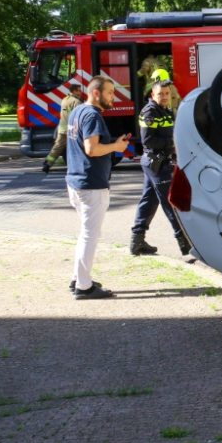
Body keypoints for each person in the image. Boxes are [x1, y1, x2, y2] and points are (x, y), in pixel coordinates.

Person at [66, 75, 130, 299]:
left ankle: (77, 278)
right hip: (91, 184)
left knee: (86, 233)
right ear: (96, 93)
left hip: (76, 181)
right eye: (110, 92)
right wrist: (116, 146)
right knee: (90, 235)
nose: (114, 96)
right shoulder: (92, 115)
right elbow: (91, 149)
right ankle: (84, 287)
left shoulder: (77, 111)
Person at [131, 80, 191, 256]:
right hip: (156, 163)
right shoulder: (150, 112)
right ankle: (185, 245)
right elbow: (148, 140)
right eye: (160, 94)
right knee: (170, 203)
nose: (164, 97)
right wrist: (173, 143)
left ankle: (137, 241)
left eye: (166, 93)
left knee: (148, 201)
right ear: (153, 95)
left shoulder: (165, 110)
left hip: (160, 162)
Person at [42, 84, 83, 173]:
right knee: (77, 148)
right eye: (79, 90)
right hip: (72, 129)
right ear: (74, 91)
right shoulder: (76, 102)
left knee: (58, 147)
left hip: (62, 128)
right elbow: (79, 116)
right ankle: (78, 167)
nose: (80, 92)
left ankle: (47, 163)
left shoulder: (65, 99)